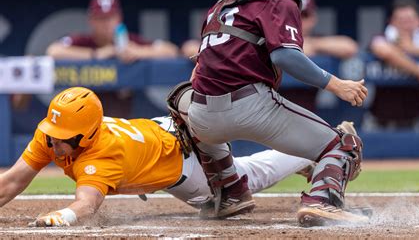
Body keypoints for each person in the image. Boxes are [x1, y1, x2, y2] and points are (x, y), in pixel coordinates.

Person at [186, 0, 368, 226]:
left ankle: (229, 192)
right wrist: (338, 85)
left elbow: (198, 70)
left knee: (197, 115)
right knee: (344, 144)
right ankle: (322, 201)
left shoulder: (219, 6)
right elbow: (285, 57)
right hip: (249, 105)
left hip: (202, 118)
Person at [0, 86, 320, 227]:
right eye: (52, 133)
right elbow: (12, 181)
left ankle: (313, 151)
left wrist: (64, 217)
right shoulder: (53, 133)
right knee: (241, 172)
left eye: (63, 138)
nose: (53, 143)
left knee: (245, 179)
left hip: (181, 162)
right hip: (161, 131)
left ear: (86, 135)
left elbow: (86, 205)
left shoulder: (101, 156)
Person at [46, 0, 179, 117]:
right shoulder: (84, 41)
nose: (106, 24)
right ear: (91, 20)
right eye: (100, 19)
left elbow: (171, 51)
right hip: (85, 119)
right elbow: (53, 51)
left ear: (119, 18)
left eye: (110, 18)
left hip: (121, 120)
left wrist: (137, 52)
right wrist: (97, 54)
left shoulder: (129, 41)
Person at [280, 0, 359, 111]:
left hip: (307, 113)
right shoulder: (274, 37)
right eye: (295, 14)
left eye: (304, 15)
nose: (299, 20)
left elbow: (350, 47)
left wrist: (312, 44)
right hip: (273, 113)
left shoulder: (317, 40)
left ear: (313, 18)